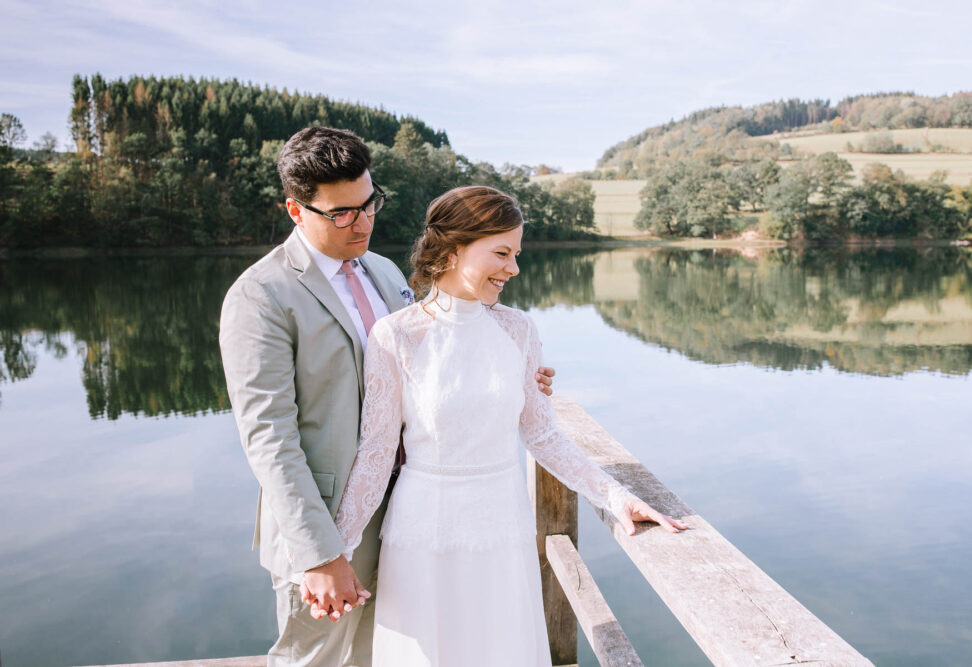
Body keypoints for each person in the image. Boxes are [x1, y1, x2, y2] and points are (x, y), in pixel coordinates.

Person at [219, 127, 558, 667]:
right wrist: (321, 553)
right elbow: (268, 439)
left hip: (409, 515)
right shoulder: (260, 296)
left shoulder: (384, 271)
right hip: (329, 524)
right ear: (294, 209)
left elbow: (437, 359)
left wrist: (512, 379)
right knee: (317, 660)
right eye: (342, 213)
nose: (363, 222)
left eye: (369, 203)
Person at [325, 185, 688, 666]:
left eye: (516, 254)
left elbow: (542, 435)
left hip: (502, 522)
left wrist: (616, 496)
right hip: (423, 529)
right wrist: (335, 551)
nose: (513, 268)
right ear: (453, 250)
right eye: (501, 253)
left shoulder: (518, 330)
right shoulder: (396, 335)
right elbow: (375, 452)